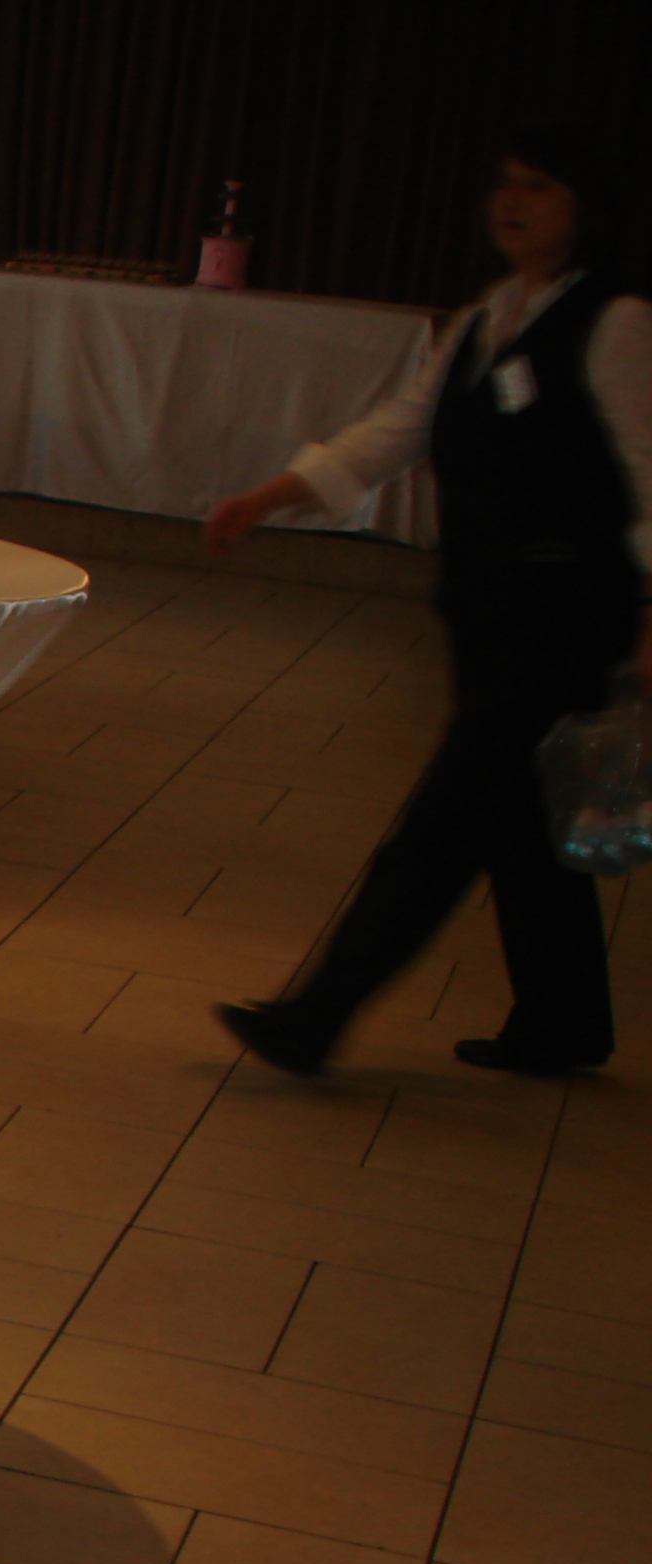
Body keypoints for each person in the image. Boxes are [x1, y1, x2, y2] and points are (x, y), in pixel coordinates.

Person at [207, 130, 652, 1079]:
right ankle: (565, 1023)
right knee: (521, 822)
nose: (513, 203)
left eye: (539, 187)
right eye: (507, 185)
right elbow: (398, 430)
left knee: (445, 824)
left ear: (586, 206)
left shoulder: (617, 324)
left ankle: (318, 1016)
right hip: (490, 609)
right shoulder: (489, 315)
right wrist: (272, 495)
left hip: (569, 615)